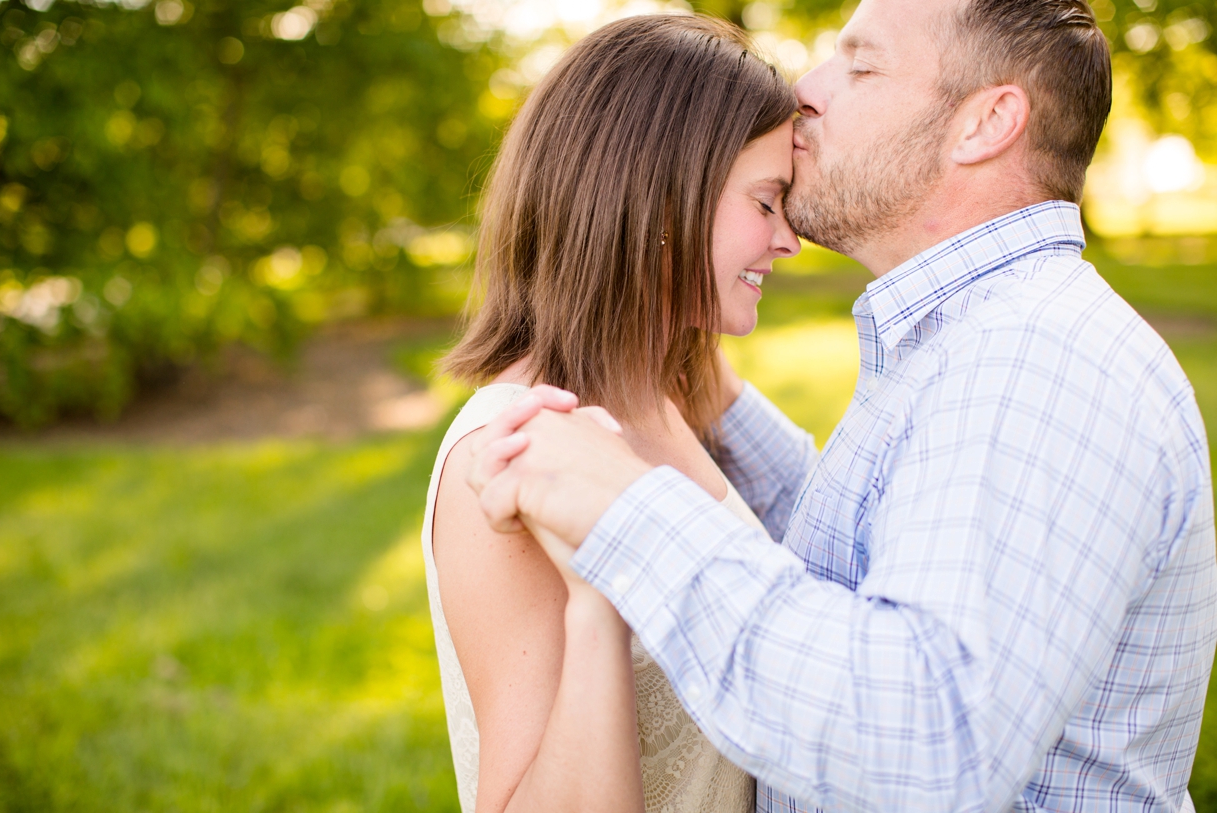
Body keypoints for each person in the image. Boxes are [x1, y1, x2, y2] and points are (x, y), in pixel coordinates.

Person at [467, 0, 1217, 811]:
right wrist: (691, 391)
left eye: (860, 65)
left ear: (986, 123)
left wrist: (623, 511)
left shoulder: (1035, 359)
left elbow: (933, 742)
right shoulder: (975, 339)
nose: (807, 89)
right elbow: (873, 556)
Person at [419, 15, 802, 813]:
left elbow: (812, 496)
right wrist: (597, 596)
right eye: (767, 202)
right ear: (662, 197)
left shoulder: (667, 387)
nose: (789, 238)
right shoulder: (515, 450)